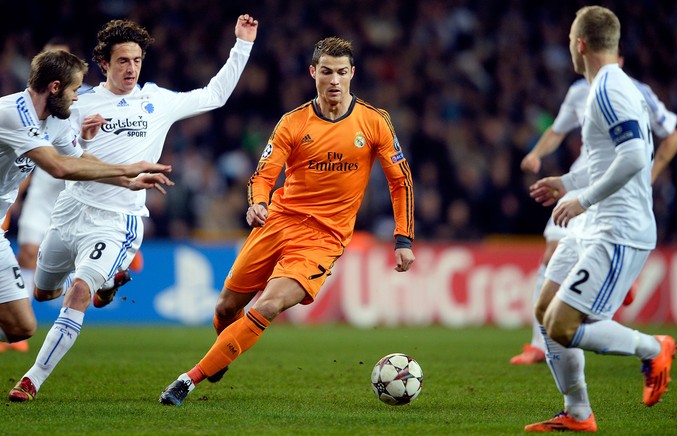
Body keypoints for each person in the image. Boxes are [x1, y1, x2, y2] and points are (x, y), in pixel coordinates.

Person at [8, 14, 258, 402]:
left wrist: (242, 44)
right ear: (104, 63)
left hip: (116, 220)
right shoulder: (78, 102)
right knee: (43, 294)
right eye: (123, 61)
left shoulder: (156, 100)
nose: (131, 68)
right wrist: (81, 137)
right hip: (71, 209)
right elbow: (51, 148)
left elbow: (215, 95)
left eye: (137, 60)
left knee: (77, 292)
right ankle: (107, 283)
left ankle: (32, 379)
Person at [158, 36, 416, 406]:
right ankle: (222, 355)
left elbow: (400, 181)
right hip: (278, 223)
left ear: (353, 74)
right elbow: (262, 176)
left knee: (268, 304)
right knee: (225, 309)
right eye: (326, 72)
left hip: (323, 238)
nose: (334, 81)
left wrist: (403, 238)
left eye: (342, 73)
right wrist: (258, 204)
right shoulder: (293, 123)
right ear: (313, 73)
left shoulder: (374, 122)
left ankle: (188, 379)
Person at [524, 6, 677, 432]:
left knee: (564, 324)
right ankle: (578, 414)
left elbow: (633, 158)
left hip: (618, 229)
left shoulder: (610, 90)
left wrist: (584, 199)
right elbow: (605, 158)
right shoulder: (603, 88)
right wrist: (566, 181)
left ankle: (653, 347)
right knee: (544, 310)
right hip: (594, 224)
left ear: (580, 44)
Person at [0, 49, 172, 353]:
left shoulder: (53, 121)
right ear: (55, 87)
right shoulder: (14, 113)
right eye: (75, 90)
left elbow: (80, 159)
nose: (77, 98)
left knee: (21, 328)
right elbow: (59, 167)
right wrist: (127, 168)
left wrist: (126, 182)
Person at [511, 61, 677, 365]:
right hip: (582, 181)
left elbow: (670, 137)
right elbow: (557, 129)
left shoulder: (636, 92)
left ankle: (637, 326)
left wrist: (650, 176)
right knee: (552, 257)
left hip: (614, 192)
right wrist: (537, 154)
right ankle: (545, 352)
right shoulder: (579, 91)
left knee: (572, 317)